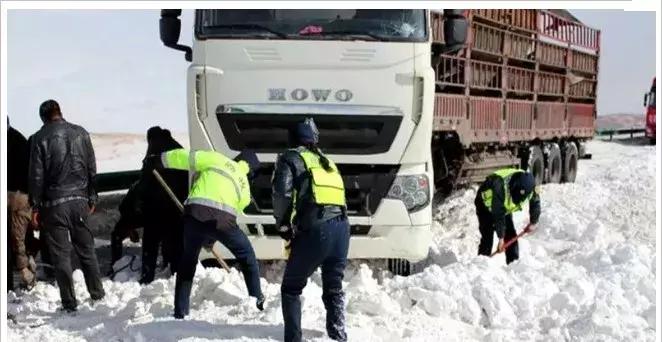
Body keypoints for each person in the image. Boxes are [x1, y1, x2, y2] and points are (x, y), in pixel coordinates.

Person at [143, 147, 265, 318]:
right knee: (247, 257)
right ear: (250, 171)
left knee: (188, 261)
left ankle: (180, 312)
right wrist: (211, 237)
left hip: (193, 215)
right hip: (222, 222)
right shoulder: (244, 186)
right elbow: (229, 215)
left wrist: (158, 159)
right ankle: (257, 302)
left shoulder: (216, 158)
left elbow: (184, 157)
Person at [272, 118, 350, 342]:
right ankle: (338, 334)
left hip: (318, 229)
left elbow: (282, 195)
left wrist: (284, 225)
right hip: (342, 230)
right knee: (333, 286)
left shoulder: (290, 158)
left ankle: (293, 339)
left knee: (291, 287)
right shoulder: (327, 162)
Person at [28, 99, 105, 312]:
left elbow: (36, 176)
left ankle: (70, 303)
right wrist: (92, 198)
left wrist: (35, 207)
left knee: (61, 256)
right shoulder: (81, 133)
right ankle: (97, 295)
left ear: (43, 118)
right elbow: (92, 168)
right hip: (80, 202)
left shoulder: (39, 138)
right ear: (60, 112)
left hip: (54, 206)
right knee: (87, 251)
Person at [138, 126, 188, 284]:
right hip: (177, 205)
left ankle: (147, 275)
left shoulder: (152, 153)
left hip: (155, 206)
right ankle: (176, 271)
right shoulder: (178, 149)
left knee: (151, 241)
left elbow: (144, 183)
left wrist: (140, 203)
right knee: (175, 239)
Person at [475, 168, 541, 264]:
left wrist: (533, 221)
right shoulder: (499, 186)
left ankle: (514, 264)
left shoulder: (531, 186)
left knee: (510, 234)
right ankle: (480, 265)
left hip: (504, 207)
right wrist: (501, 239)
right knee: (487, 237)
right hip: (485, 205)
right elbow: (498, 215)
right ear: (513, 187)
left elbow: (536, 203)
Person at [7, 118, 38, 290]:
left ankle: (25, 274)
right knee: (20, 240)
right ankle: (27, 273)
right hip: (23, 197)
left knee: (16, 242)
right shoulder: (20, 139)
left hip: (16, 198)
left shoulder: (16, 140)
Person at [109, 180, 144, 268]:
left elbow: (124, 208)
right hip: (136, 213)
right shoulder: (138, 187)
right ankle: (116, 264)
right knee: (116, 234)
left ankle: (116, 263)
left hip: (142, 213)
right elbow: (124, 208)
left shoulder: (139, 186)